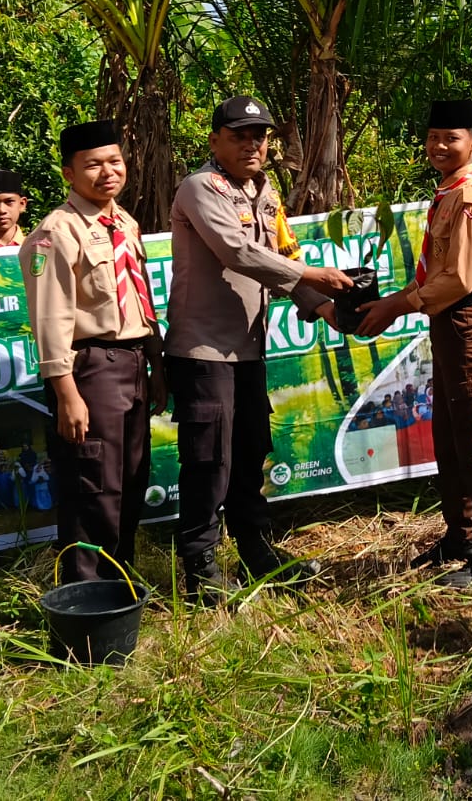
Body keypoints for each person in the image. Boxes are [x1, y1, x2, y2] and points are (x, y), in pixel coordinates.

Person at [166, 95, 352, 602]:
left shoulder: (265, 193)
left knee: (249, 452)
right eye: (239, 135)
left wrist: (327, 308)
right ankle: (199, 567)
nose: (252, 144)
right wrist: (312, 274)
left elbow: (277, 257)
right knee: (208, 460)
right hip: (204, 351)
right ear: (215, 142)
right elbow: (238, 251)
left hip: (248, 349)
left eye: (260, 136)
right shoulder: (201, 188)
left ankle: (256, 552)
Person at [356, 99, 472, 587]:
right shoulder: (447, 193)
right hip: (448, 325)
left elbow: (460, 278)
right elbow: (439, 274)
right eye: (433, 138)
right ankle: (461, 537)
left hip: (468, 323)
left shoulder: (468, 199)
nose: (440, 146)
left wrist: (396, 306)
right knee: (449, 436)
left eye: (452, 138)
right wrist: (396, 301)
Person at [20, 119, 163, 585]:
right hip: (91, 370)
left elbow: (139, 301)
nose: (108, 172)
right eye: (93, 165)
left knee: (131, 480)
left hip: (133, 363)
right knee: (93, 486)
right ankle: (86, 595)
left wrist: (155, 365)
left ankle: (121, 580)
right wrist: (66, 392)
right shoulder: (56, 232)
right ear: (69, 173)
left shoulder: (124, 222)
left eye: (115, 161)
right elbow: (50, 317)